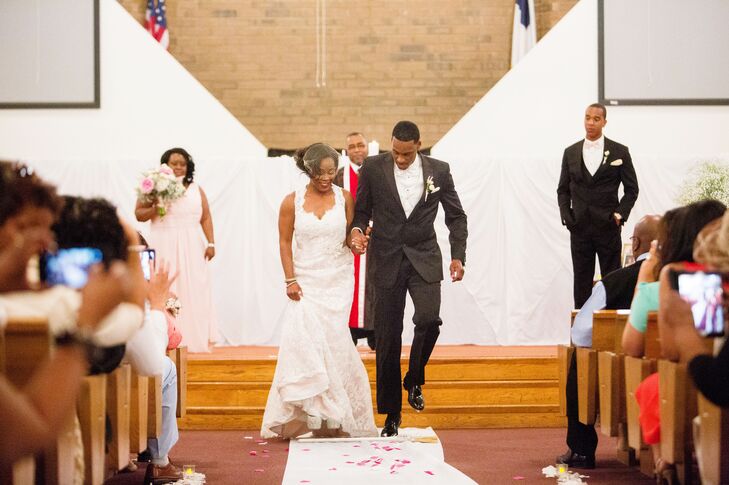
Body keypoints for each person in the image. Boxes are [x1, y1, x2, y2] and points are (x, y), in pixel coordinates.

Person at [351, 121, 468, 437]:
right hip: (386, 259)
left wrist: (458, 256)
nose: (400, 159)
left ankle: (414, 377)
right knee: (387, 338)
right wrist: (357, 232)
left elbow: (456, 216)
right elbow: (361, 212)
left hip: (424, 257)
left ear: (418, 144)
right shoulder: (373, 168)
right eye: (396, 152)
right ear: (390, 145)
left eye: (406, 153)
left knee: (429, 320)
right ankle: (391, 414)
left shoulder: (439, 171)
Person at [260, 143, 377, 439]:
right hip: (306, 282)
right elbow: (284, 243)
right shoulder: (291, 202)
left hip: (337, 280)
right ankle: (314, 415)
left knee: (335, 342)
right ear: (307, 170)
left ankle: (336, 417)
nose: (326, 178)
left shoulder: (346, 198)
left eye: (331, 172)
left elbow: (351, 234)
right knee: (306, 342)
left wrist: (358, 241)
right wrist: (290, 279)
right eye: (319, 173)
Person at [558, 214, 660, 469]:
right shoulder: (683, 281)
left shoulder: (615, 281)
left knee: (578, 356)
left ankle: (581, 448)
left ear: (635, 244)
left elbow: (580, 332)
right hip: (669, 369)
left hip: (620, 372)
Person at [135, 148, 218, 353]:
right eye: (174, 163)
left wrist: (211, 243)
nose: (179, 167)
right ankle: (164, 336)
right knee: (165, 287)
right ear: (165, 165)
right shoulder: (153, 186)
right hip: (163, 241)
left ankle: (193, 338)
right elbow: (139, 214)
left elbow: (205, 217)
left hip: (191, 245)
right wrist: (158, 207)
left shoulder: (196, 189)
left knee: (195, 290)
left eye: (183, 163)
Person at [557, 103, 639, 308]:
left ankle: (612, 332)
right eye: (587, 117)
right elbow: (563, 190)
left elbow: (632, 189)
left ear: (604, 122)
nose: (590, 122)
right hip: (580, 228)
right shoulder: (570, 152)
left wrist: (620, 215)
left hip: (608, 226)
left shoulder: (620, 151)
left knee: (613, 279)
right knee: (581, 280)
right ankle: (580, 335)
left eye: (596, 119)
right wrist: (568, 217)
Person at [333, 132, 376, 350]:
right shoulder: (339, 177)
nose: (357, 150)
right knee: (350, 284)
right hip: (348, 240)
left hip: (376, 240)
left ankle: (373, 333)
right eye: (352, 147)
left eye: (361, 145)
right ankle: (349, 332)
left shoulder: (379, 170)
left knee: (375, 285)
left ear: (368, 147)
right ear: (346, 151)